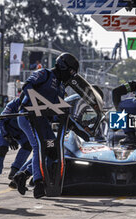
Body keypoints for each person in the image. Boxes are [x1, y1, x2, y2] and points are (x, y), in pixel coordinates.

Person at [17, 52, 79, 198]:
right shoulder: (43, 74)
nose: (71, 76)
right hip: (28, 116)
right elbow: (27, 87)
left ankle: (24, 174)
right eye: (70, 72)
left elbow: (58, 111)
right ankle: (38, 183)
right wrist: (42, 103)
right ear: (63, 66)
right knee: (39, 146)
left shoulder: (61, 88)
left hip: (42, 120)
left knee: (52, 149)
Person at [0, 97, 32, 184]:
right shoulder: (12, 104)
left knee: (28, 146)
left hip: (21, 132)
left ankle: (15, 170)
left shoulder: (32, 104)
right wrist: (7, 136)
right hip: (7, 130)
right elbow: (2, 122)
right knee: (2, 149)